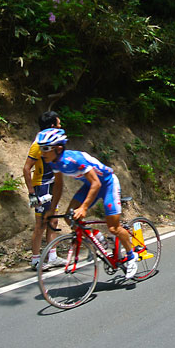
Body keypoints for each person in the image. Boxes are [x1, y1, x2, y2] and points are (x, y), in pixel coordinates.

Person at [36, 128, 139, 278]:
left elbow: (97, 183)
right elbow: (58, 185)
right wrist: (52, 209)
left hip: (107, 184)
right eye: (40, 148)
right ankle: (97, 236)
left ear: (58, 148)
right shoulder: (54, 162)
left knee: (113, 227)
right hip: (90, 186)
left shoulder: (75, 159)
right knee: (69, 216)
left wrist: (84, 207)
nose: (42, 152)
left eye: (45, 149)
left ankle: (131, 257)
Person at [23, 111, 63, 269]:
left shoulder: (52, 142)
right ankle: (35, 259)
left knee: (53, 219)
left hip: (51, 183)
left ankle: (52, 256)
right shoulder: (38, 144)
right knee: (41, 223)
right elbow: (26, 168)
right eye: (58, 124)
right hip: (41, 185)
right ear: (52, 126)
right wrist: (32, 193)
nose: (60, 126)